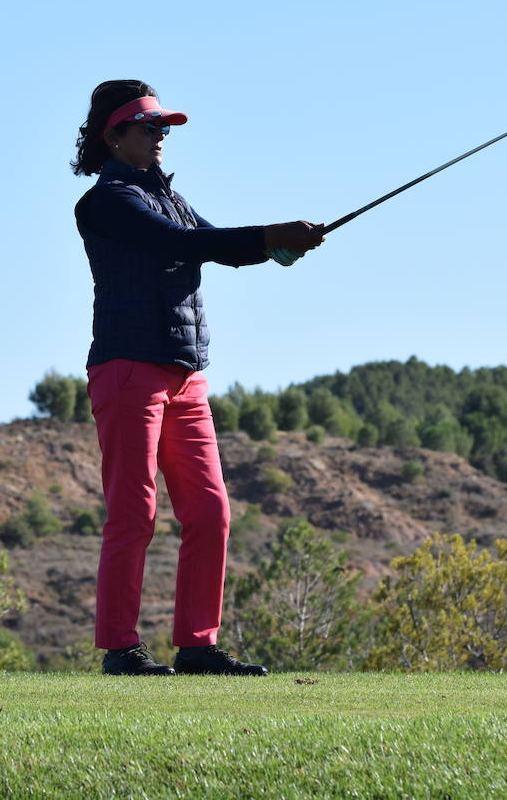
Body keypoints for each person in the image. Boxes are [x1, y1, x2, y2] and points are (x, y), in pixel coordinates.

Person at [72, 79, 324, 675]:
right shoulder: (106, 200)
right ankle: (120, 649)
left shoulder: (169, 196)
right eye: (148, 127)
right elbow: (180, 243)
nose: (161, 137)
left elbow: (217, 247)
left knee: (211, 511)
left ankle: (197, 645)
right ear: (115, 135)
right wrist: (270, 235)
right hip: (127, 369)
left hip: (185, 374)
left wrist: (281, 246)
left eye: (164, 127)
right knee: (135, 513)